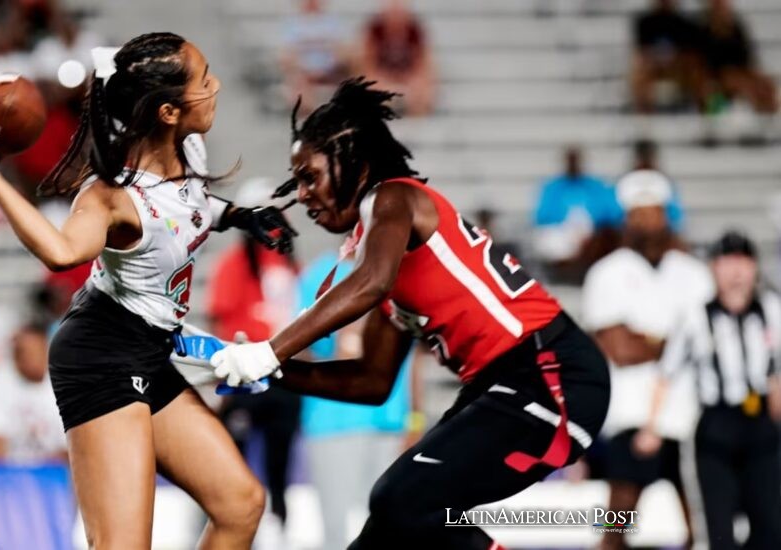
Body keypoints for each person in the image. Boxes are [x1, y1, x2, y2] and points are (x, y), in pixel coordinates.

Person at [211, 79, 611, 549]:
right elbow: (372, 381)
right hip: (506, 382)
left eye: (309, 176)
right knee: (388, 529)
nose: (300, 195)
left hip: (548, 373)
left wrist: (269, 351)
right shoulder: (382, 250)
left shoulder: (391, 199)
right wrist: (269, 373)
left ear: (352, 162)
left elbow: (371, 283)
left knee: (402, 501)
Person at [0, 32, 296, 549]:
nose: (217, 85)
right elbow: (61, 251)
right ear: (167, 111)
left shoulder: (189, 147)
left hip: (149, 352)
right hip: (102, 356)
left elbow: (189, 204)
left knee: (241, 504)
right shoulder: (112, 196)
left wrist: (238, 215)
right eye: (205, 80)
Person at [582, 170, 714, 550]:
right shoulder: (606, 273)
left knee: (700, 523)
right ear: (627, 218)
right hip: (631, 414)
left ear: (665, 215)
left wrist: (647, 338)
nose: (647, 222)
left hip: (688, 414)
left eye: (654, 213)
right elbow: (620, 350)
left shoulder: (693, 272)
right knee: (618, 522)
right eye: (639, 214)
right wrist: (673, 340)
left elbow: (705, 342)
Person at [636, 231, 781, 549]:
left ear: (754, 267)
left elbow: (775, 375)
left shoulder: (771, 310)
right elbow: (666, 374)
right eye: (728, 262)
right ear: (714, 268)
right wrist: (651, 427)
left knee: (770, 524)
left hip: (760, 427)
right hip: (717, 426)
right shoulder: (695, 315)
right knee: (718, 527)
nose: (736, 272)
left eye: (743, 262)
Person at [297, 249, 424, 550]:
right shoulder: (319, 275)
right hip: (332, 419)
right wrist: (335, 337)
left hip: (391, 422)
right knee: (336, 534)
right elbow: (293, 344)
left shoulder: (401, 270)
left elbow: (414, 358)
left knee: (391, 529)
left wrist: (416, 418)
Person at [206, 178, 302, 544]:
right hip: (243, 381)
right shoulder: (232, 265)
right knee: (235, 467)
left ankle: (277, 530)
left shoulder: (288, 263)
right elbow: (221, 324)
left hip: (281, 379)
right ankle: (238, 531)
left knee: (280, 468)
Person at [0, 325, 66, 465]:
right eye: (23, 353)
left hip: (52, 473)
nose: (34, 358)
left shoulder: (63, 381)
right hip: (12, 472)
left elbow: (69, 449)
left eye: (37, 352)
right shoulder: (1, 378)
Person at [533, 146, 623, 284]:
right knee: (550, 241)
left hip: (591, 234)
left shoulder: (595, 185)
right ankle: (565, 275)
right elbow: (542, 216)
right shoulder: (552, 187)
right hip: (561, 232)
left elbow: (610, 213)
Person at [697, 0, 778, 116]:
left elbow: (746, 58)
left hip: (739, 73)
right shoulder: (704, 30)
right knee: (733, 83)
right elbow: (704, 62)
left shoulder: (736, 28)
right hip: (717, 77)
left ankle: (769, 117)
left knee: (766, 84)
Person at [361, 0, 436, 117]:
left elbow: (421, 62)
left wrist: (411, 80)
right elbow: (368, 62)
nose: (396, 18)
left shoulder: (414, 31)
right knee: (372, 86)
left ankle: (417, 124)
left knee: (422, 87)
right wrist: (385, 79)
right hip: (382, 76)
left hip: (407, 76)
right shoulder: (375, 30)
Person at [630, 0, 705, 112]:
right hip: (654, 69)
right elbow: (643, 53)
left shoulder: (685, 24)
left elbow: (690, 56)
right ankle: (644, 123)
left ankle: (705, 118)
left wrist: (673, 64)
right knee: (639, 74)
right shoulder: (645, 23)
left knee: (699, 73)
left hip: (679, 71)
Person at [281, 0, 355, 112]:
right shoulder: (293, 24)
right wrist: (304, 70)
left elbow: (343, 51)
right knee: (298, 84)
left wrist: (332, 65)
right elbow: (287, 55)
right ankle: (309, 115)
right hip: (303, 73)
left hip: (331, 70)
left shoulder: (333, 23)